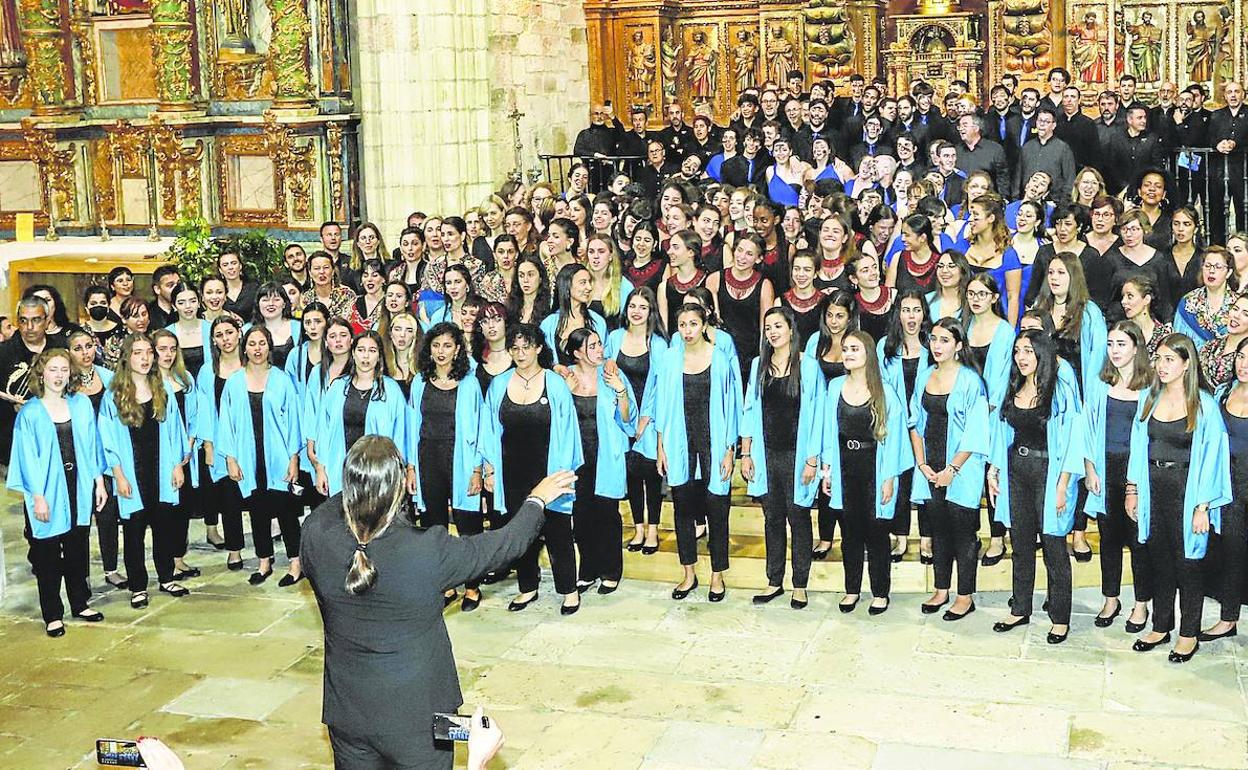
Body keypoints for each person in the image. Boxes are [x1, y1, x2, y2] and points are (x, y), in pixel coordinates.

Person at [300, 432, 575, 770]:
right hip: (417, 720)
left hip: (349, 713)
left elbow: (338, 506)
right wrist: (536, 499)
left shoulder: (315, 534)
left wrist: (366, 478)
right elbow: (505, 545)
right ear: (399, 486)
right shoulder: (427, 550)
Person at [1127, 334, 1232, 663]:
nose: (1161, 365)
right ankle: (1160, 626)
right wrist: (1133, 490)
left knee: (1188, 564)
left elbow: (1215, 457)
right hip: (1154, 487)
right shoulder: (1149, 398)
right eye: (1158, 358)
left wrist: (1203, 506)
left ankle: (1188, 634)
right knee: (1158, 558)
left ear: (1187, 364)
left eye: (1170, 359)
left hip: (1187, 491)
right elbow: (1137, 446)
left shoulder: (1204, 405)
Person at [479, 323, 583, 613]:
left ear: (538, 348)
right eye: (515, 348)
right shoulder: (499, 384)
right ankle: (527, 587)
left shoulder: (555, 384)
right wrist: (489, 469)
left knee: (558, 531)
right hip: (512, 469)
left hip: (549, 470)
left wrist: (562, 476)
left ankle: (569, 590)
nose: (521, 353)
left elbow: (569, 430)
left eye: (527, 347)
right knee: (519, 530)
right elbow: (489, 429)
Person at [988, 330, 1083, 644]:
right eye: (1018, 351)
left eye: (1028, 351)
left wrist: (1062, 485)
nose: (1021, 357)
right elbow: (1002, 432)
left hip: (1048, 472)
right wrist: (995, 469)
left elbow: (1073, 439)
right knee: (1021, 543)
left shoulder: (1060, 388)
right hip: (1017, 469)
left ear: (1042, 353)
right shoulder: (1013, 385)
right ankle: (1021, 606)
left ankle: (1060, 616)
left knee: (1054, 547)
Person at [8, 349, 108, 637]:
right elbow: (27, 457)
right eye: (53, 369)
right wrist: (38, 496)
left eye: (64, 369)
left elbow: (92, 445)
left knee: (77, 547)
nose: (59, 375)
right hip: (47, 490)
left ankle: (80, 602)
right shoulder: (30, 413)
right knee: (48, 553)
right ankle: (52, 613)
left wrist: (99, 482)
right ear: (41, 373)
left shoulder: (81, 405)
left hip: (78, 484)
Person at [821, 330, 914, 615]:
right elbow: (828, 429)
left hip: (875, 466)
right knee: (849, 532)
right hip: (844, 466)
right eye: (846, 349)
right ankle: (851, 590)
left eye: (855, 349)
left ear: (869, 354)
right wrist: (827, 470)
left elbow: (896, 438)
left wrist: (889, 478)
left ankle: (880, 593)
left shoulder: (884, 391)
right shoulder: (835, 386)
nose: (848, 354)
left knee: (876, 533)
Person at [655, 304, 740, 602]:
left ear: (704, 325)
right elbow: (662, 405)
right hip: (680, 441)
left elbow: (731, 408)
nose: (687, 330)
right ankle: (688, 573)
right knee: (682, 509)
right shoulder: (668, 359)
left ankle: (717, 575)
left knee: (717, 509)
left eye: (693, 324)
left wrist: (730, 449)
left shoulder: (719, 359)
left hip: (714, 441)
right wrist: (661, 445)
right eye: (682, 325)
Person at [98, 333, 190, 609]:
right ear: (127, 357)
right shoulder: (114, 395)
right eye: (138, 353)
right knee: (134, 533)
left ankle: (166, 576)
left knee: (164, 527)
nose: (145, 358)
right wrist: (119, 475)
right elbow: (108, 439)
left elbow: (175, 430)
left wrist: (177, 465)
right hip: (131, 475)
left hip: (160, 471)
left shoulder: (161, 389)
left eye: (149, 352)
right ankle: (138, 586)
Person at [910, 318, 991, 621]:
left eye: (945, 340)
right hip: (930, 464)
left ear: (958, 346)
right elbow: (914, 421)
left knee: (963, 533)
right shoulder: (924, 376)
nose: (937, 346)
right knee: (938, 529)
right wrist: (922, 464)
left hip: (961, 468)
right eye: (933, 339)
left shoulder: (971, 381)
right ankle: (941, 588)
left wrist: (952, 470)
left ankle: (964, 595)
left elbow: (976, 432)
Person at [741, 308, 822, 610]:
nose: (772, 332)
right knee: (772, 519)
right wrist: (746, 453)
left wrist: (812, 460)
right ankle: (774, 580)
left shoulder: (808, 367)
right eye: (768, 327)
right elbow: (749, 410)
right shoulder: (757, 366)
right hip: (766, 455)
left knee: (798, 518)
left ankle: (800, 584)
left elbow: (817, 417)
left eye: (778, 326)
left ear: (791, 329)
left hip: (797, 456)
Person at [216, 326, 304, 587]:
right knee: (257, 510)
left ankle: (295, 562)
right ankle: (264, 560)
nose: (257, 349)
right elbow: (226, 422)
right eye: (252, 343)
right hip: (248, 456)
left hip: (278, 456)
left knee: (287, 511)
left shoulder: (282, 379)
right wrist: (230, 458)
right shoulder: (234, 382)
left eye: (262, 343)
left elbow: (293, 421)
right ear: (245, 347)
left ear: (269, 347)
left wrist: (293, 458)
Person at [409, 323, 486, 610]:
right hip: (428, 458)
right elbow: (411, 427)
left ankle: (473, 586)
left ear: (457, 349)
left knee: (469, 525)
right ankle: (446, 585)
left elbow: (480, 428)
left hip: (462, 461)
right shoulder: (420, 381)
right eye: (436, 345)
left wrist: (478, 468)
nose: (441, 352)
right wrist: (411, 468)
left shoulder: (469, 382)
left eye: (447, 345)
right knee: (434, 527)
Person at [1084, 321, 1153, 631]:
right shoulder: (1100, 382)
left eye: (1121, 344)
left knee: (1139, 542)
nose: (1114, 350)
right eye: (1111, 344)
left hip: (1135, 472)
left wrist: (1134, 485)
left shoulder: (1151, 386)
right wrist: (1089, 469)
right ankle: (1110, 598)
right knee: (1108, 539)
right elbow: (1087, 427)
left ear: (1136, 348)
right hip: (1104, 467)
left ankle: (1141, 605)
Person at [562, 328, 636, 598]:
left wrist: (620, 392)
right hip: (577, 458)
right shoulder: (565, 376)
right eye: (592, 346)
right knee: (581, 516)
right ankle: (588, 568)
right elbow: (557, 418)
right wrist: (568, 393)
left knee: (607, 514)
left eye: (599, 345)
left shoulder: (612, 373)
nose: (599, 350)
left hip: (606, 454)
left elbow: (627, 418)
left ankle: (611, 570)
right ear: (577, 352)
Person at [308, 331, 412, 499]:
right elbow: (324, 432)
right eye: (361, 349)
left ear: (379, 356)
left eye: (372, 350)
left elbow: (400, 435)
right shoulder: (337, 388)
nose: (366, 356)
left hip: (378, 473)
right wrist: (320, 469)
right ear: (353, 353)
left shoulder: (391, 391)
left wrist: (401, 471)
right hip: (339, 472)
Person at [607, 287, 669, 555]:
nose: (636, 311)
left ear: (651, 311)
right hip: (620, 416)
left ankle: (653, 529)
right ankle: (638, 528)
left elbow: (660, 385)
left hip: (649, 416)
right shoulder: (614, 338)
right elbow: (607, 375)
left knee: (650, 474)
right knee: (630, 474)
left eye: (643, 307)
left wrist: (646, 418)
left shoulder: (657, 344)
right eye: (633, 305)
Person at [1204, 338, 1248, 643]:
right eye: (1241, 356)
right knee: (1232, 552)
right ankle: (1228, 618)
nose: (1244, 364)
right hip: (1230, 488)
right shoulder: (1223, 393)